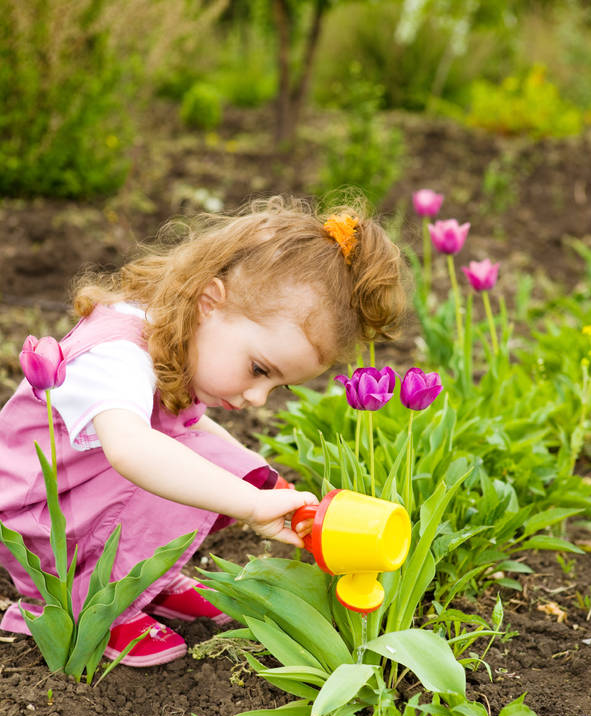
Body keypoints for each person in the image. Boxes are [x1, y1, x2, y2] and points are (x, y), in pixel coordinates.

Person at [0, 195, 409, 666]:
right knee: (180, 469)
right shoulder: (116, 354)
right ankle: (89, 602)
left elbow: (190, 426)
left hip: (87, 499)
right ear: (209, 302)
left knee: (219, 464)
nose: (257, 398)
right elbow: (133, 449)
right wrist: (250, 503)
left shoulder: (172, 337)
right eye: (259, 369)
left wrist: (263, 481)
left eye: (277, 386)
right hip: (40, 523)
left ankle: (145, 579)